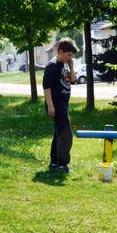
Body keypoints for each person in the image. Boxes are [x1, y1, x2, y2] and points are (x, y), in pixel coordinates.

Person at [42, 38, 79, 174]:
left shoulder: (65, 64)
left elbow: (74, 80)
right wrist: (50, 106)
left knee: (58, 132)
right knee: (66, 134)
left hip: (64, 103)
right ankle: (62, 164)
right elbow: (46, 87)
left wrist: (71, 67)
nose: (70, 57)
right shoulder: (52, 65)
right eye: (69, 54)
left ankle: (54, 162)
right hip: (56, 104)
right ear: (61, 51)